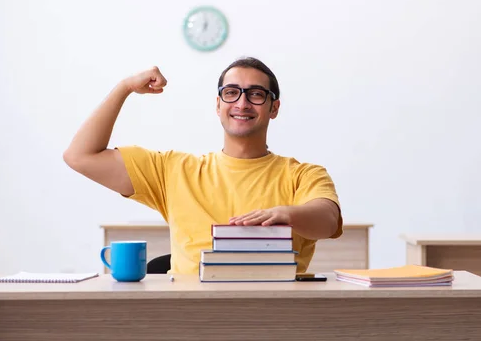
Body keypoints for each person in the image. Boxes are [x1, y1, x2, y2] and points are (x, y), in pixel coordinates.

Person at [63, 57, 343, 274]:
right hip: (189, 318)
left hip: (276, 318)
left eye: (256, 94)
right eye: (232, 93)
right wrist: (124, 88)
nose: (243, 103)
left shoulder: (304, 174)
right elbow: (80, 156)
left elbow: (328, 221)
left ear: (274, 108)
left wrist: (285, 215)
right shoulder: (172, 170)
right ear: (218, 104)